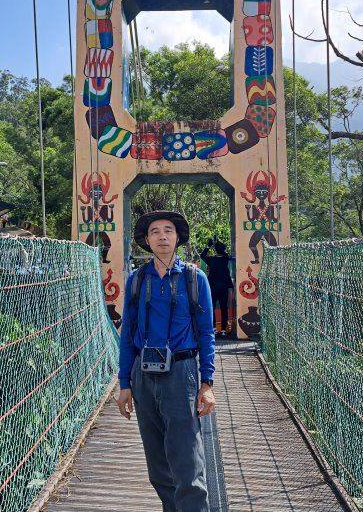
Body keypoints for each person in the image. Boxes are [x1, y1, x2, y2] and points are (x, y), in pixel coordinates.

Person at [118, 211, 216, 512]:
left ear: (177, 237)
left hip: (181, 372)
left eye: (168, 230)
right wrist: (124, 383)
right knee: (157, 465)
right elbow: (128, 334)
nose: (162, 236)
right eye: (155, 231)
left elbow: (206, 332)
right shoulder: (136, 280)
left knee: (187, 460)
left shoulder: (195, 279)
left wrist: (207, 383)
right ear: (147, 241)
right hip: (143, 374)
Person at [201, 240, 234, 336]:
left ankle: (214, 328)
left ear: (215, 250)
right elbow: (224, 253)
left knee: (212, 307)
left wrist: (209, 246)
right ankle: (223, 329)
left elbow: (202, 255)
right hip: (224, 287)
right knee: (224, 308)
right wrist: (218, 242)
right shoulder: (225, 259)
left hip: (213, 287)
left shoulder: (211, 260)